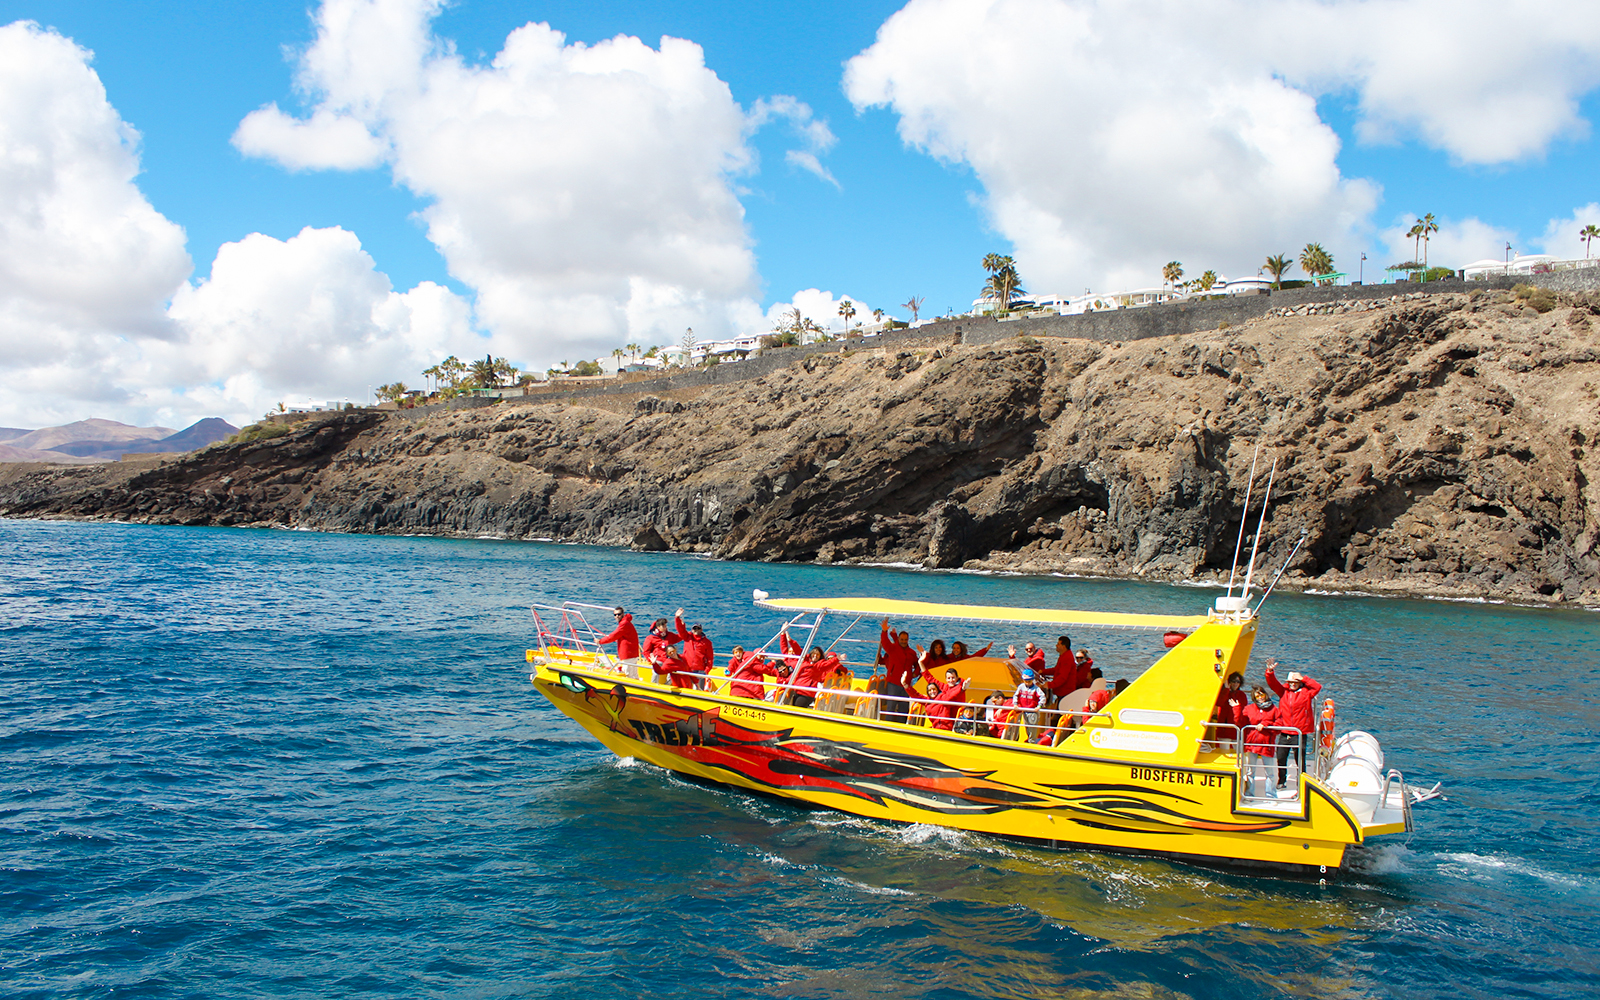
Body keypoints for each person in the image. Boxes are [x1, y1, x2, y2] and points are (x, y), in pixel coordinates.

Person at [1265, 660, 1323, 788]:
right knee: (1281, 758)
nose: (1292, 685)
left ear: (1299, 683)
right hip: (1285, 731)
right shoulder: (1283, 692)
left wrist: (1304, 678)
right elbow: (1272, 683)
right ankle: (1281, 781)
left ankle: (1301, 782)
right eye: (1290, 682)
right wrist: (1270, 671)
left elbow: (1317, 687)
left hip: (1299, 732)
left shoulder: (1306, 693)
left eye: (1295, 682)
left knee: (1300, 760)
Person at [879, 619, 921, 723]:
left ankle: (901, 726)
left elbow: (918, 663)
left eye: (905, 640)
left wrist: (915, 673)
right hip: (893, 682)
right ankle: (888, 725)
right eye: (902, 639)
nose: (903, 641)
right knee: (891, 706)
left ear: (908, 640)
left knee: (904, 707)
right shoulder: (892, 649)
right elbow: (885, 642)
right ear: (899, 639)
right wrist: (884, 631)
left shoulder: (911, 652)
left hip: (906, 684)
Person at [1240, 685, 1278, 797]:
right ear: (1254, 697)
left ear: (1266, 695)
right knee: (1250, 772)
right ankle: (1249, 794)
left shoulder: (1274, 709)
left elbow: (1279, 726)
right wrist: (1237, 708)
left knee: (1269, 773)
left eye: (1262, 694)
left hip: (1267, 745)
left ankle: (1271, 795)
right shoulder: (1249, 709)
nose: (1260, 697)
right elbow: (1240, 721)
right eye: (1257, 695)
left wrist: (1267, 724)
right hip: (1252, 744)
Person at [641, 613, 693, 689]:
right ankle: (653, 686)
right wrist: (651, 660)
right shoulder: (651, 638)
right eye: (663, 626)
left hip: (668, 659)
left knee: (674, 671)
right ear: (658, 627)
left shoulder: (670, 635)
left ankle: (667, 686)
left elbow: (681, 636)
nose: (665, 628)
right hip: (658, 659)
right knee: (656, 670)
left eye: (666, 626)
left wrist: (689, 632)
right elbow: (646, 651)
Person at [1208, 671, 1249, 749]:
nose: (1236, 683)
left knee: (1238, 751)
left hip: (1236, 728)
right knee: (1224, 751)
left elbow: (1243, 711)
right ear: (1229, 682)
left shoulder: (1242, 695)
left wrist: (1237, 707)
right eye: (1233, 681)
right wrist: (1226, 689)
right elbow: (1219, 703)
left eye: (1238, 682)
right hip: (1224, 728)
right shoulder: (1225, 693)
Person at [675, 613, 715, 688]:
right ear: (692, 630)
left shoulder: (707, 642)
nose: (696, 630)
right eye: (694, 628)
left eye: (698, 628)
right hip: (687, 668)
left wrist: (706, 670)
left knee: (699, 690)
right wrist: (677, 618)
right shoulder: (687, 637)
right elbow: (681, 630)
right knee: (686, 688)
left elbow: (710, 658)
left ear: (701, 630)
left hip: (700, 670)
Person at [924, 667, 970, 731]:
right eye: (949, 678)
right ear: (945, 679)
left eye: (953, 678)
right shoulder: (945, 687)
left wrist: (962, 689)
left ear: (957, 678)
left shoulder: (959, 689)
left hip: (953, 722)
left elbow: (952, 696)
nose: (951, 680)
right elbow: (931, 680)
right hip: (943, 721)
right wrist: (921, 664)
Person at [1012, 668, 1046, 742]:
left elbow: (1042, 697)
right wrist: (1015, 704)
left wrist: (1039, 706)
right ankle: (1029, 740)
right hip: (1024, 711)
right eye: (1025, 681)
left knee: (1032, 729)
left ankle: (1032, 742)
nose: (1027, 683)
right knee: (1026, 727)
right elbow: (1016, 695)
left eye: (1029, 681)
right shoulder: (1021, 687)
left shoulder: (1036, 689)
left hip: (1033, 712)